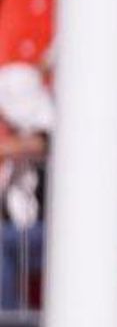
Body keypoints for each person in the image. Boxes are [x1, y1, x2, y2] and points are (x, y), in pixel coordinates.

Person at [0, 60, 50, 313]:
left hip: (54, 234)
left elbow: (38, 144)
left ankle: (5, 324)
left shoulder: (50, 134)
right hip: (24, 232)